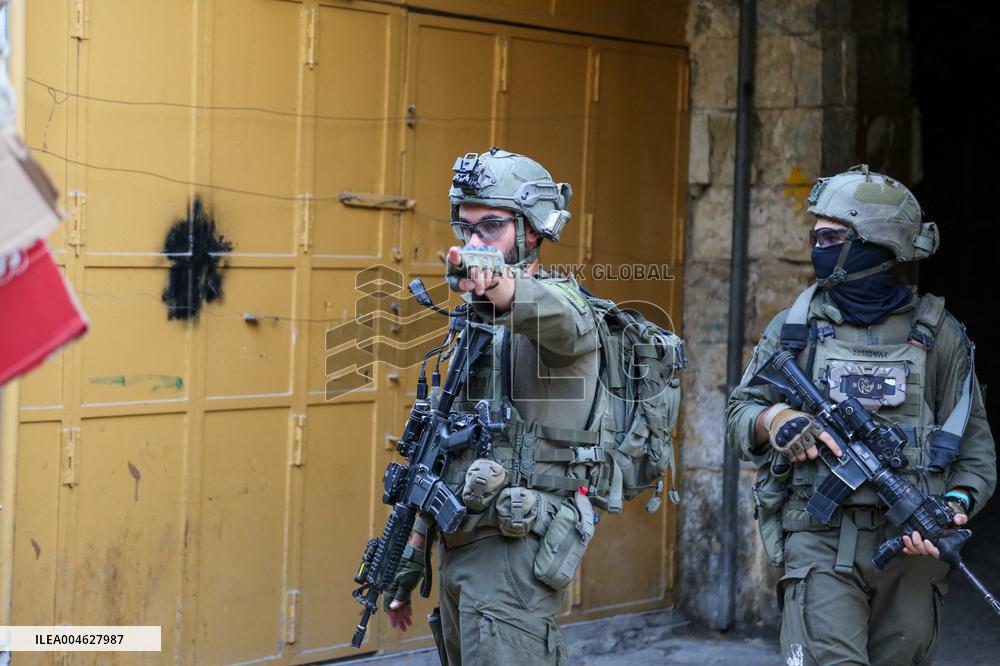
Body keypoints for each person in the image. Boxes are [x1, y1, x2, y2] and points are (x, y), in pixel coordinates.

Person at [726, 165, 996, 666]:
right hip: (820, 538)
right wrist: (778, 421)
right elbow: (741, 412)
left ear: (874, 242)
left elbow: (975, 451)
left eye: (831, 236)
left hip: (913, 551)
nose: (816, 246)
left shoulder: (940, 335)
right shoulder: (795, 329)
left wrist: (952, 506)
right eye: (816, 236)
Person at [384, 148, 600, 665]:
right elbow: (440, 450)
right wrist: (412, 548)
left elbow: (550, 313)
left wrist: (495, 281)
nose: (475, 242)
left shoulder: (564, 311)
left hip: (514, 559)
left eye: (492, 227)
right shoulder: (477, 324)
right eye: (466, 229)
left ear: (533, 229)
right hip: (460, 552)